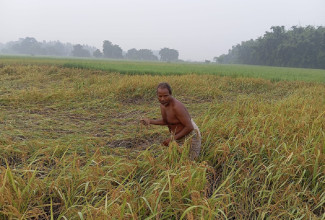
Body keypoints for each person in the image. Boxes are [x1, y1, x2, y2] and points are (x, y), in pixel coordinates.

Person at [140, 82, 201, 160]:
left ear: (171, 94)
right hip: (177, 136)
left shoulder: (177, 107)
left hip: (190, 135)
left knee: (189, 162)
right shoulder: (163, 105)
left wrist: (171, 139)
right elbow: (166, 121)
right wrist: (150, 121)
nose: (162, 99)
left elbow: (189, 127)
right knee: (176, 159)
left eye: (165, 96)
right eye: (160, 96)